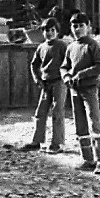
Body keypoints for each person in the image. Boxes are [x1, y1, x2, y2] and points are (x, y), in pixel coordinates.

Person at [61, 12, 100, 174]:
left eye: (81, 26)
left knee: (94, 122)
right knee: (80, 125)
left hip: (89, 90)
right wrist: (66, 76)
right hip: (74, 90)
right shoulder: (71, 47)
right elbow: (64, 66)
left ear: (88, 27)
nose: (78, 29)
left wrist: (82, 74)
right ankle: (88, 159)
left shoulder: (93, 45)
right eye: (75, 26)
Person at [20, 18, 67, 154]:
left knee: (57, 111)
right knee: (40, 112)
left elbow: (68, 62)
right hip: (46, 83)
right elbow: (34, 64)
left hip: (59, 82)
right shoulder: (41, 47)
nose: (49, 33)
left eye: (52, 30)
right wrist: (37, 78)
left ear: (57, 32)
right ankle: (37, 141)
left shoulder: (61, 46)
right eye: (46, 30)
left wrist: (66, 77)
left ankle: (57, 143)